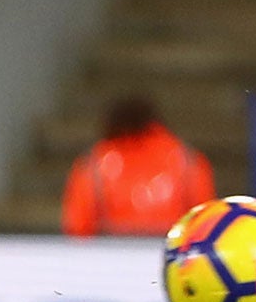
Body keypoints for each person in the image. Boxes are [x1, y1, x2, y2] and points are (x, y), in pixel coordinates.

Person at [61, 97, 215, 238]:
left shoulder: (92, 165)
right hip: (174, 262)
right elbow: (205, 226)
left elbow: (77, 230)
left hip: (110, 262)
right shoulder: (188, 160)